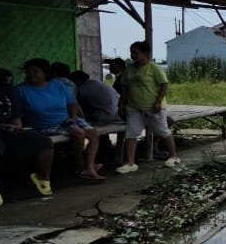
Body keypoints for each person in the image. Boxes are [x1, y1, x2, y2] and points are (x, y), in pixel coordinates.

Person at [0, 69, 54, 206]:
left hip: (6, 132)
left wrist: (15, 127)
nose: (2, 90)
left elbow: (16, 118)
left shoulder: (9, 94)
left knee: (44, 141)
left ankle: (43, 178)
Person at [16, 58, 105, 181]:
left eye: (35, 71)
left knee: (94, 134)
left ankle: (90, 167)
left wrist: (73, 117)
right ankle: (79, 167)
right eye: (28, 71)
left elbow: (72, 103)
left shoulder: (58, 84)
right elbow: (16, 113)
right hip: (45, 125)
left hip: (67, 119)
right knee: (78, 133)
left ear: (46, 73)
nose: (31, 74)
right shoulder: (21, 90)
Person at [117, 41, 180, 173]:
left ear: (146, 54)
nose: (133, 55)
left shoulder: (154, 68)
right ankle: (130, 163)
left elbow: (164, 85)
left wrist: (158, 102)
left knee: (163, 131)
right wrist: (122, 104)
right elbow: (124, 88)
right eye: (131, 52)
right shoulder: (129, 69)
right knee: (131, 133)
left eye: (136, 53)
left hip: (153, 107)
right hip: (134, 107)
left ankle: (174, 156)